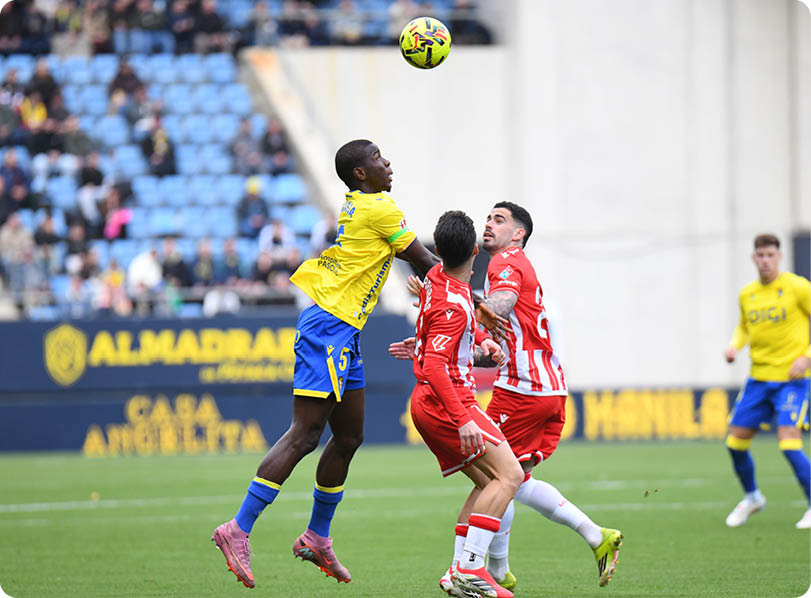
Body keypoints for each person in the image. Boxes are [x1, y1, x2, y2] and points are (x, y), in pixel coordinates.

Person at [211, 139, 505, 590]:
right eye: (376, 158)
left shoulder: (361, 203)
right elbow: (429, 262)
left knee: (349, 436)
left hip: (342, 328)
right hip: (328, 325)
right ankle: (237, 528)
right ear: (361, 174)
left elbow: (427, 272)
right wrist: (478, 305)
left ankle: (317, 536)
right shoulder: (380, 208)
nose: (387, 161)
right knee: (305, 434)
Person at [391, 202, 623, 593]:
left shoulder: (505, 261)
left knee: (503, 478)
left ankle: (479, 569)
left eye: (499, 220)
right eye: (487, 218)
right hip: (542, 385)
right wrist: (459, 325)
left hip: (522, 386)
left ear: (518, 234)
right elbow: (453, 318)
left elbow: (502, 301)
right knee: (510, 477)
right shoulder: (455, 286)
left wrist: (475, 316)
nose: (489, 224)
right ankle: (493, 565)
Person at [408, 210, 521, 598]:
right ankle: (471, 571)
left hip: (431, 400)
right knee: (511, 476)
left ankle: (457, 570)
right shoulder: (454, 304)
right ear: (475, 250)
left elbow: (438, 339)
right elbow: (437, 364)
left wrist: (479, 343)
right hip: (448, 402)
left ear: (437, 251)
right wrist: (463, 420)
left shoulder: (436, 278)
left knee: (489, 482)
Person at [723, 233, 811, 529]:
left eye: (770, 255)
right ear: (753, 258)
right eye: (760, 255)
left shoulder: (797, 287)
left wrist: (807, 356)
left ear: (779, 256)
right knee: (735, 443)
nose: (765, 261)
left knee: (788, 443)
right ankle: (752, 497)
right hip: (759, 380)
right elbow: (744, 328)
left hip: (791, 380)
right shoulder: (748, 294)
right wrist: (735, 345)